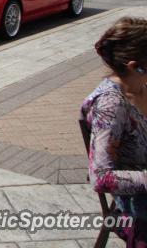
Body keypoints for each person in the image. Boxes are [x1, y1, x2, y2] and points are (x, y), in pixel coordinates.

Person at [81, 16, 147, 246]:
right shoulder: (111, 105)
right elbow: (101, 178)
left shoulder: (141, 86)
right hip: (135, 210)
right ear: (134, 66)